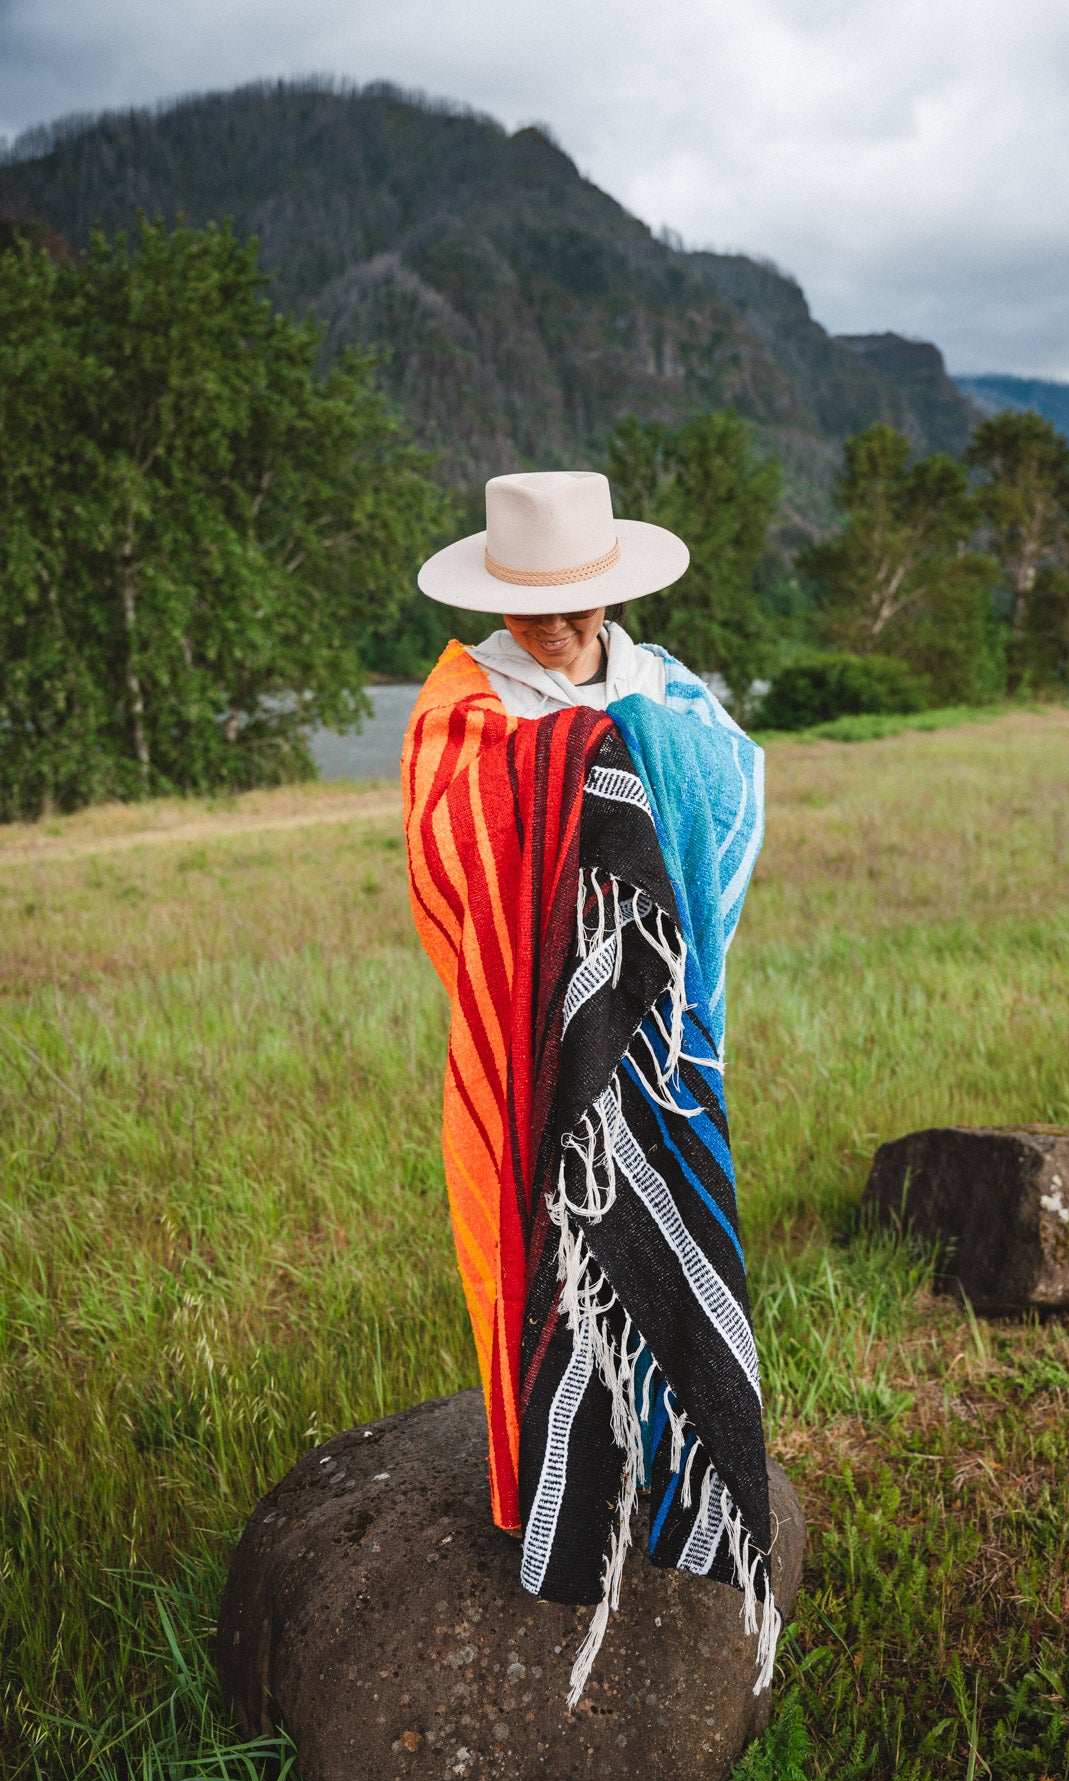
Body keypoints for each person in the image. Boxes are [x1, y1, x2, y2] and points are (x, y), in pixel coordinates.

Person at [402, 470, 778, 1705]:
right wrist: (572, 766)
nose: (556, 632)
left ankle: (677, 1486)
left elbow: (734, 798)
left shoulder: (668, 691)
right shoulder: (464, 704)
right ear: (497, 599)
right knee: (530, 1248)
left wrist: (626, 758)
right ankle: (551, 1500)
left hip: (663, 1037)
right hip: (527, 1051)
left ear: (613, 590)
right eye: (534, 610)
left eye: (578, 607)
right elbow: (448, 850)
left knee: (666, 1235)